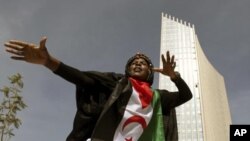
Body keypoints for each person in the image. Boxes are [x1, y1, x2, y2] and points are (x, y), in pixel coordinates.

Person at [4, 37, 192, 141]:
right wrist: (48, 61)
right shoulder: (116, 84)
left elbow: (186, 95)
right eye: (134, 63)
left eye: (143, 63)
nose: (137, 64)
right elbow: (83, 78)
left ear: (150, 72)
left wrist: (174, 77)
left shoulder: (159, 97)